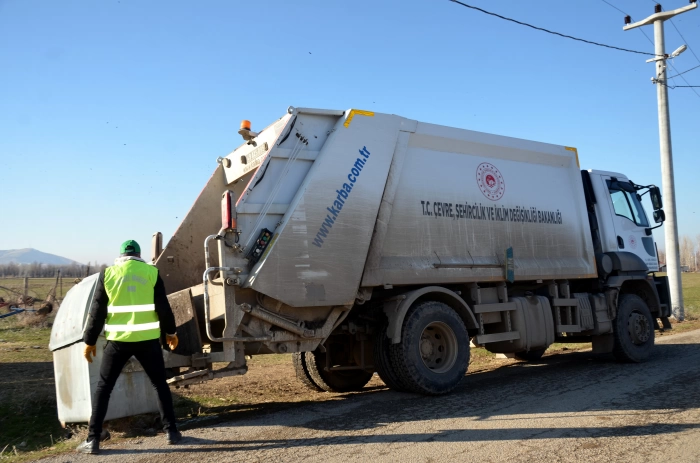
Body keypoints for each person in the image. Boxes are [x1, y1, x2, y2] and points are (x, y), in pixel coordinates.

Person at [76, 240, 182, 455]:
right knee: (159, 385)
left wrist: (89, 341)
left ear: (121, 255)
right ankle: (172, 432)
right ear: (139, 255)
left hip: (118, 342)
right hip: (148, 340)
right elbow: (163, 307)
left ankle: (93, 439)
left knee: (104, 388)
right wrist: (171, 332)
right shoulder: (151, 272)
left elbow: (97, 311)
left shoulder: (108, 274)